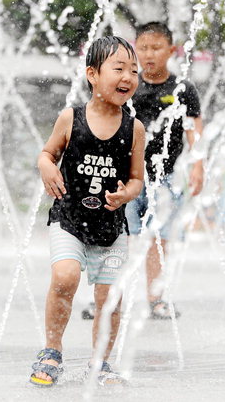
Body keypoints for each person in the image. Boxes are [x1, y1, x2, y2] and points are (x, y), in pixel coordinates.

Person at [30, 36, 145, 387]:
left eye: (134, 70)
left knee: (110, 297)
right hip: (69, 221)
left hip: (110, 229)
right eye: (119, 68)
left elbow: (138, 178)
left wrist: (127, 194)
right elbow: (47, 154)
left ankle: (101, 363)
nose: (128, 76)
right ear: (92, 74)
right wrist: (47, 166)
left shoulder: (134, 129)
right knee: (65, 277)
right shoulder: (71, 118)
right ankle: (51, 350)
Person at [82, 22, 204, 321]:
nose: (149, 55)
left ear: (171, 51)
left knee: (160, 238)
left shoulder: (182, 89)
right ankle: (106, 297)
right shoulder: (127, 85)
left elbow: (195, 129)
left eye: (156, 48)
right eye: (143, 48)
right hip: (124, 177)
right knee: (117, 237)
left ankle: (157, 298)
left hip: (164, 178)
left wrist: (199, 165)